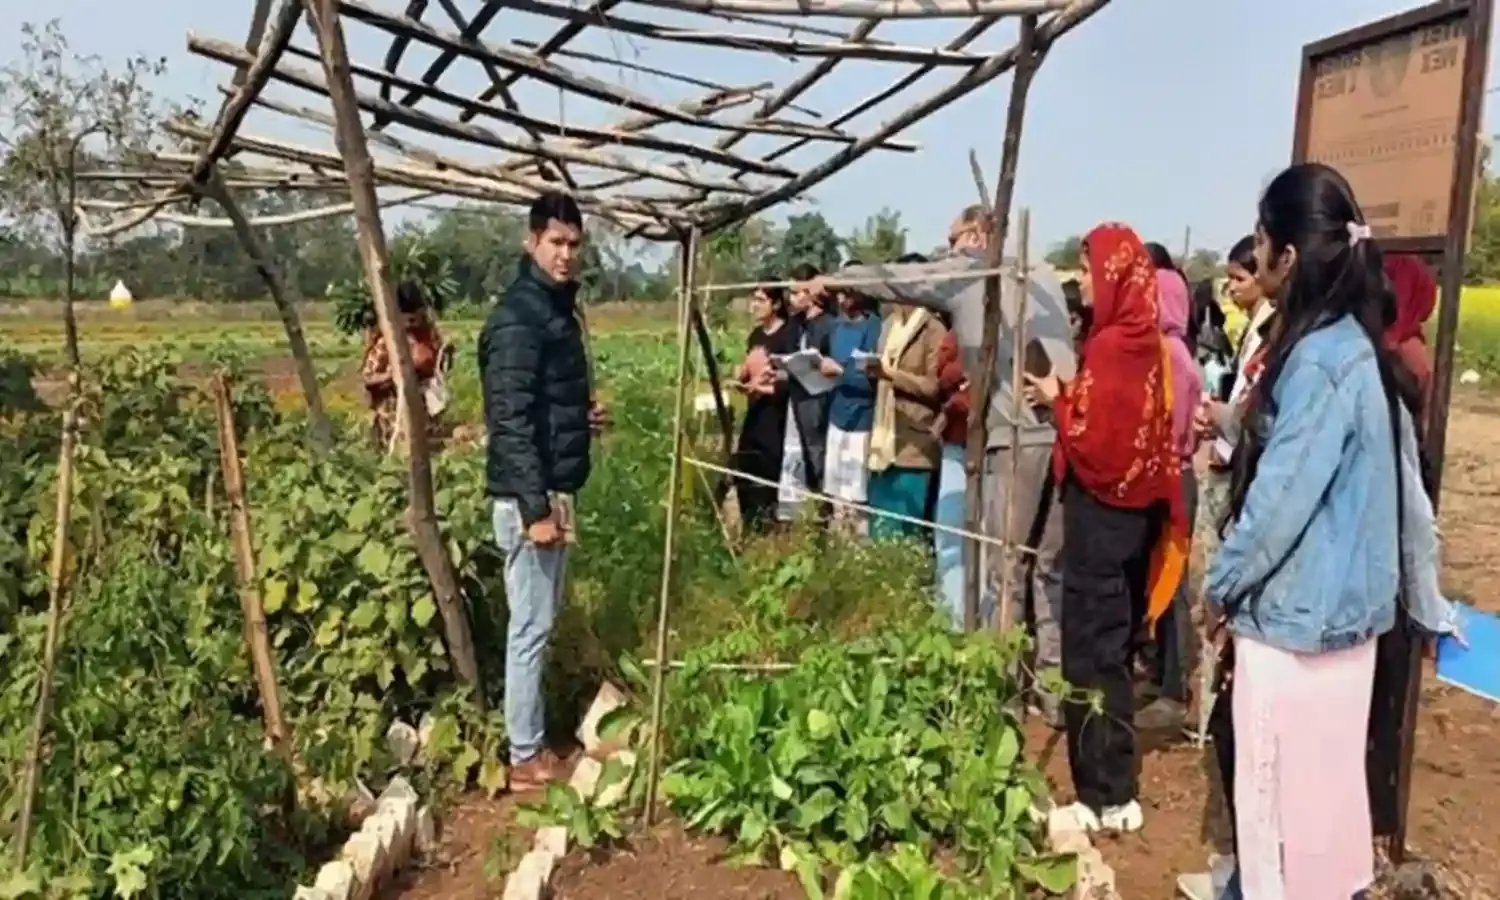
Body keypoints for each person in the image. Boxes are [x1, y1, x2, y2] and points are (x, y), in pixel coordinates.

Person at [827, 205, 1076, 720]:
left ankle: (999, 694)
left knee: (1002, 568)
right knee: (1048, 570)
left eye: (955, 239)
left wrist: (838, 278)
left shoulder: (974, 273)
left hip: (1014, 438)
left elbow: (902, 279)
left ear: (980, 236)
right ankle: (1051, 690)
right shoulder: (1045, 273)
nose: (948, 251)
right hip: (1064, 431)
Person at [1022, 222, 1186, 834]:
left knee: (1088, 653)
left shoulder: (1112, 346)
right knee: (1113, 653)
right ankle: (1116, 791)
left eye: (1088, 269)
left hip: (1099, 520)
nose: (1081, 280)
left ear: (1115, 277)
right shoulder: (1142, 343)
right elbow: (1119, 427)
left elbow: (1095, 444)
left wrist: (1060, 405)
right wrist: (1067, 396)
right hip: (1133, 519)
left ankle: (1097, 794)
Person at [479, 191, 606, 791]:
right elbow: (510, 420)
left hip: (551, 490)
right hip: (529, 498)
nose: (566, 254)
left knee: (541, 620)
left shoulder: (550, 311)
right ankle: (525, 754)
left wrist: (583, 418)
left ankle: (529, 740)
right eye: (556, 242)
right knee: (529, 626)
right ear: (531, 242)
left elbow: (547, 406)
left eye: (574, 244)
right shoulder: (518, 319)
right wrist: (534, 509)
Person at [1136, 259, 1204, 732]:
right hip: (1168, 474)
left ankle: (1175, 691)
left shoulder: (1170, 357)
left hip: (1170, 477)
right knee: (1158, 576)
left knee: (1173, 583)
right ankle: (1162, 674)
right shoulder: (1172, 352)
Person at [865, 298, 945, 541]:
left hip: (914, 439)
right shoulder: (889, 324)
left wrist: (891, 375)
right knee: (880, 524)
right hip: (883, 436)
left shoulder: (933, 329)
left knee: (909, 527)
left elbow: (934, 387)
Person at [819, 267, 883, 535]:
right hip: (837, 414)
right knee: (837, 492)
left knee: (857, 493)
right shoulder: (835, 326)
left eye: (848, 292)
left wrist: (840, 372)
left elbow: (869, 376)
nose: (843, 300)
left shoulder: (873, 327)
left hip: (861, 418)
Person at [731, 286, 797, 532]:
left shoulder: (788, 336)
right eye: (753, 300)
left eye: (761, 300)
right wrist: (740, 377)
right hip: (754, 412)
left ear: (776, 304)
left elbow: (791, 379)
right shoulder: (756, 335)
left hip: (776, 415)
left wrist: (763, 388)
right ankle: (750, 527)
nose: (754, 305)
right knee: (746, 468)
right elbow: (747, 367)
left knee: (769, 473)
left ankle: (768, 529)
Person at [777, 263, 834, 524]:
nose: (793, 298)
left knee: (817, 452)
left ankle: (824, 511)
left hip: (819, 398)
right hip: (796, 396)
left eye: (798, 292)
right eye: (790, 292)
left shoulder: (828, 324)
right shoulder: (794, 324)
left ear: (812, 291)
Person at [361, 281, 445, 449]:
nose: (413, 323)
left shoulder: (430, 335)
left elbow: (437, 368)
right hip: (393, 417)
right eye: (408, 319)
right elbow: (368, 378)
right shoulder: (387, 341)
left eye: (416, 317)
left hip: (426, 415)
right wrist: (393, 376)